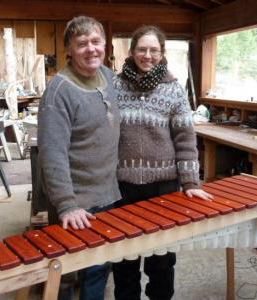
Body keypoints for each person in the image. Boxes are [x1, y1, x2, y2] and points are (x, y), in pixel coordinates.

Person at [112, 25, 213, 300]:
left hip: (164, 188)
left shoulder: (174, 89)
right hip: (122, 187)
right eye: (142, 49)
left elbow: (185, 139)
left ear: (162, 53)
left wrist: (190, 181)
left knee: (162, 260)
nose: (148, 55)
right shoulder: (114, 86)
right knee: (124, 258)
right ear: (132, 52)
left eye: (154, 50)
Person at [37, 16, 121, 300]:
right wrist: (67, 205)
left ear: (105, 45)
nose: (91, 49)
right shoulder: (59, 92)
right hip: (78, 200)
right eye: (82, 43)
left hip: (108, 190)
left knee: (100, 265)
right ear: (69, 50)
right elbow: (52, 153)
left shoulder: (108, 76)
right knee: (70, 268)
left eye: (96, 41)